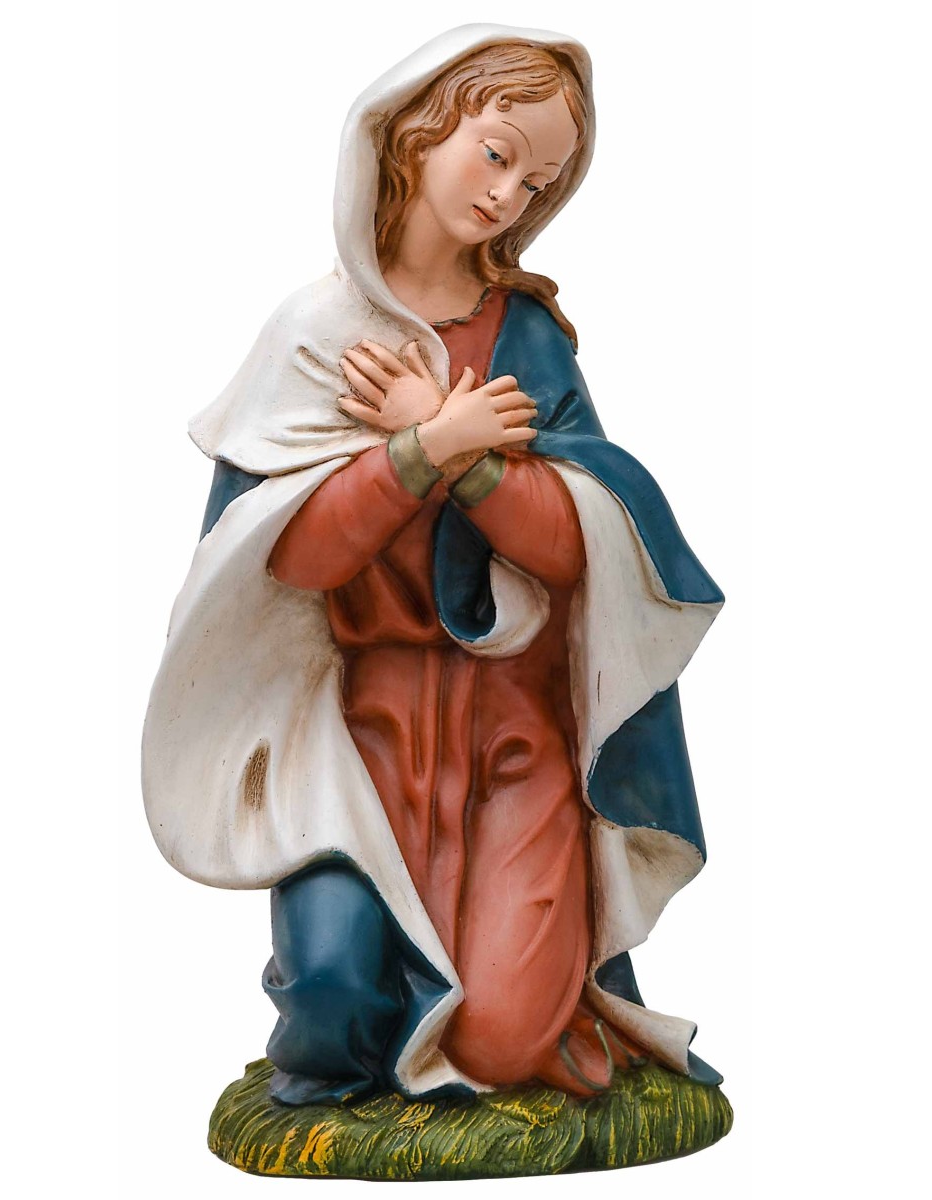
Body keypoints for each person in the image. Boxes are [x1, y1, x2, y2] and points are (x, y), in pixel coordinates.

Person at [143, 24, 724, 1108]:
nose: (508, 196)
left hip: (513, 723)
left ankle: (544, 990)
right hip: (356, 731)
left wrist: (470, 464)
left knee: (502, 1042)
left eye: (537, 182)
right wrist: (424, 447)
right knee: (332, 1008)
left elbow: (580, 542)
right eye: (497, 154)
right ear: (418, 132)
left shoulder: (524, 339)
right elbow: (288, 557)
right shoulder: (317, 333)